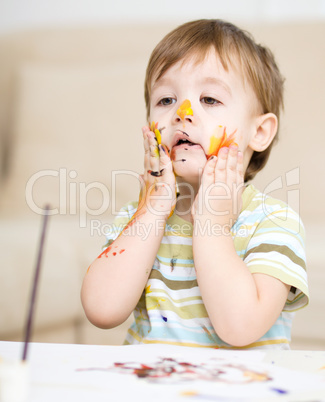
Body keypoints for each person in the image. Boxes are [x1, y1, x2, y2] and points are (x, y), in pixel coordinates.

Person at [81, 19, 309, 349]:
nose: (182, 113)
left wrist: (212, 225)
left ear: (259, 132)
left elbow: (240, 327)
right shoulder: (139, 218)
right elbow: (102, 310)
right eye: (165, 100)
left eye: (210, 99)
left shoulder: (274, 223)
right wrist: (153, 211)